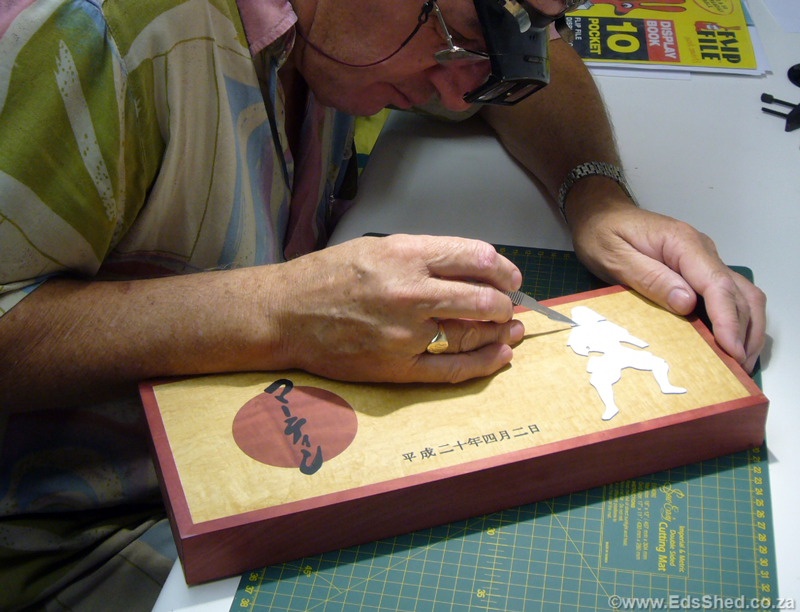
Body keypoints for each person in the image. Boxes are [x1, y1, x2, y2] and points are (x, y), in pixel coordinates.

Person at [0, 0, 765, 608]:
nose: (465, 89)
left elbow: (537, 62)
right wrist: (277, 312)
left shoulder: (348, 28)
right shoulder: (91, 33)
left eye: (505, 40)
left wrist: (595, 196)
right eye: (464, 34)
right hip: (83, 529)